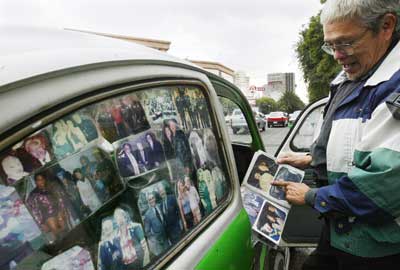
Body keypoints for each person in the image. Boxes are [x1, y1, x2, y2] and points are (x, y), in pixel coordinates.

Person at [272, 1, 400, 269]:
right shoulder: (353, 77)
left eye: (345, 43)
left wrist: (311, 196)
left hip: (376, 247)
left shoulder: (393, 88)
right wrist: (312, 158)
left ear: (386, 26)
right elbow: (357, 141)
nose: (337, 56)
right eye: (331, 45)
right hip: (341, 228)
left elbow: (380, 186)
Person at [27, 173, 69, 240]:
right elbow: (34, 210)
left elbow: (60, 199)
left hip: (58, 211)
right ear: (35, 181)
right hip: (47, 215)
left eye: (43, 179)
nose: (41, 181)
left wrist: (63, 210)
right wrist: (40, 223)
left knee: (65, 230)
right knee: (58, 234)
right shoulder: (33, 194)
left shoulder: (51, 187)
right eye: (39, 180)